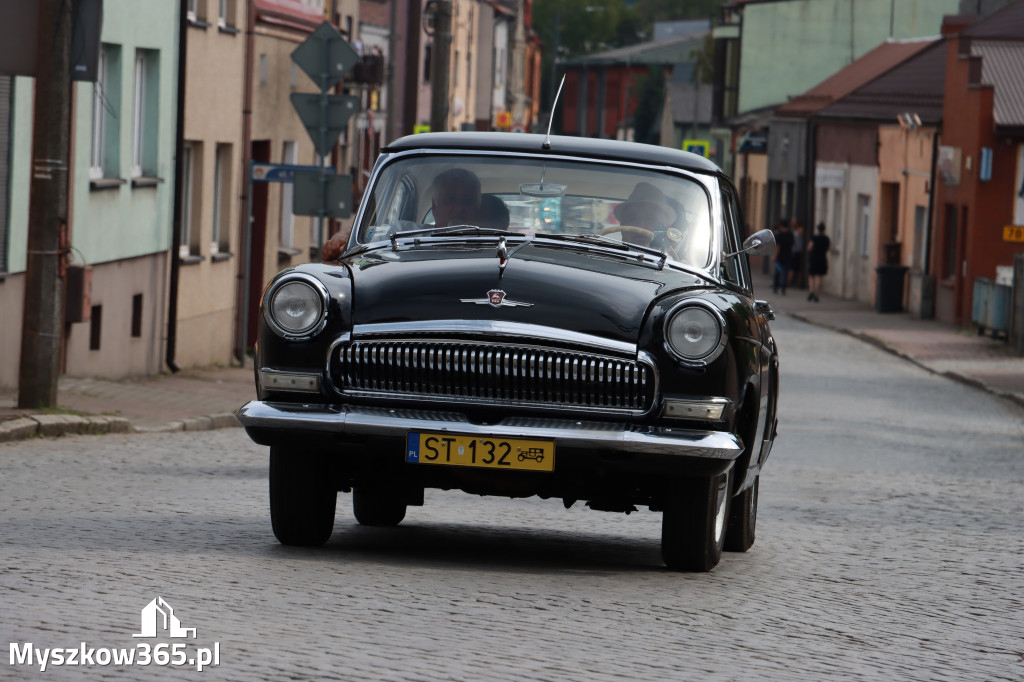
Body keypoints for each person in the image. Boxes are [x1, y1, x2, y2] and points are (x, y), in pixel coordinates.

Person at [320, 168, 486, 262]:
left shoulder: (499, 247)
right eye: (450, 200)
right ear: (435, 207)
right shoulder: (403, 233)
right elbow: (366, 234)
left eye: (467, 201)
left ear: (478, 209)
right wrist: (339, 242)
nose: (458, 208)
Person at [807, 221, 831, 302]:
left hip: (813, 258)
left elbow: (810, 247)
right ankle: (816, 295)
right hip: (822, 258)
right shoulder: (826, 238)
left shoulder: (814, 237)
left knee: (811, 276)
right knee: (819, 277)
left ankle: (811, 291)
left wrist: (811, 249)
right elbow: (828, 248)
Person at [772, 218, 794, 295]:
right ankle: (783, 288)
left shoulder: (779, 235)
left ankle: (775, 287)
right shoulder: (790, 234)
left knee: (777, 273)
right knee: (785, 273)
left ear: (781, 226)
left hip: (780, 256)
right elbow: (792, 244)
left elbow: (778, 247)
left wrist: (774, 256)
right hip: (788, 255)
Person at [789, 219, 804, 289]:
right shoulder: (794, 231)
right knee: (792, 267)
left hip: (798, 251)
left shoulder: (800, 230)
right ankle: (790, 282)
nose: (792, 224)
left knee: (796, 268)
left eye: (793, 223)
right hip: (794, 251)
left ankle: (797, 282)